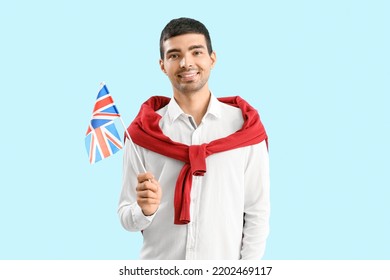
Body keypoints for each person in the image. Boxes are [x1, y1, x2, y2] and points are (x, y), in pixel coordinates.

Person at [118, 17, 270, 260]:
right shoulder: (143, 134)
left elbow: (256, 212)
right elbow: (126, 217)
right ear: (162, 65)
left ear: (212, 58)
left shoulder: (245, 129)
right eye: (174, 55)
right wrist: (144, 211)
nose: (186, 63)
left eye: (196, 52)